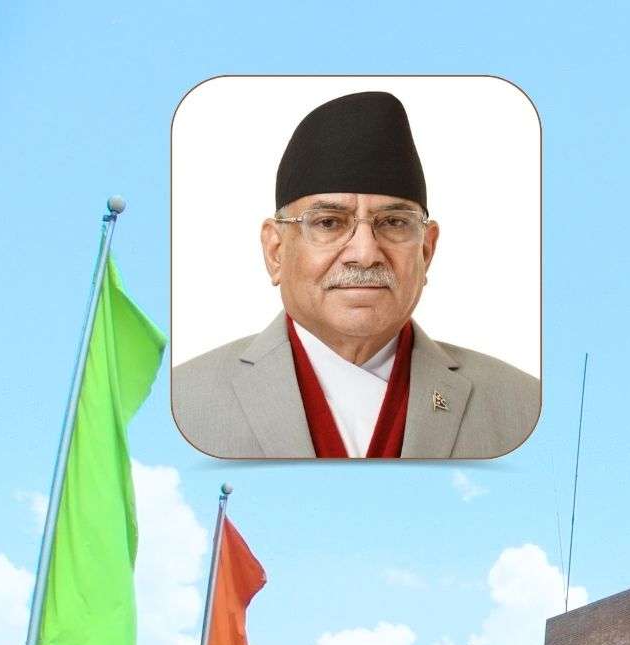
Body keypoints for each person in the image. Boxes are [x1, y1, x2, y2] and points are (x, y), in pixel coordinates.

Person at [173, 91, 538, 459]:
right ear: (276, 250)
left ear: (426, 250)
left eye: (394, 223)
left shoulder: (521, 405)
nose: (365, 255)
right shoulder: (184, 401)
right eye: (329, 223)